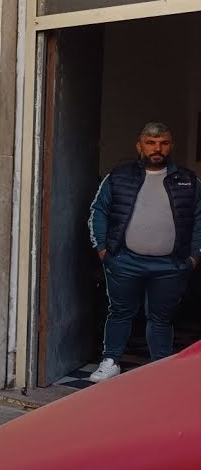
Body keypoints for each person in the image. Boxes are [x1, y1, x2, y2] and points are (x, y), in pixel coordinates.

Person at [88, 122, 201, 382]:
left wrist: (194, 256)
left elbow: (199, 220)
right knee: (119, 312)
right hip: (125, 261)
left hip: (170, 265)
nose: (157, 148)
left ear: (171, 145)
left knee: (161, 318)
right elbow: (98, 212)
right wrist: (103, 250)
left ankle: (159, 369)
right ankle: (111, 360)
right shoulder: (118, 176)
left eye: (163, 142)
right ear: (139, 146)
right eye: (150, 143)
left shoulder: (188, 181)